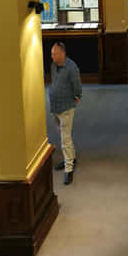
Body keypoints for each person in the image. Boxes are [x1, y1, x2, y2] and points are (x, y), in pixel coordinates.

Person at [49, 41, 82, 185]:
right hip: (55, 107)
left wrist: (77, 96)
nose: (52, 56)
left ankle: (69, 168)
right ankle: (71, 158)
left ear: (62, 53)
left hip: (66, 107)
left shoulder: (71, 67)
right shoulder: (53, 66)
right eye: (51, 54)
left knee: (65, 139)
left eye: (54, 54)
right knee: (63, 135)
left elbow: (77, 85)